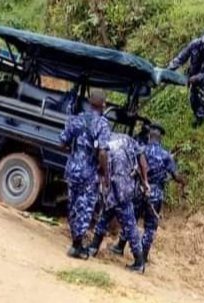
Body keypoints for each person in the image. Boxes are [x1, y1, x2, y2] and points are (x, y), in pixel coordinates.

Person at [109, 124, 186, 264]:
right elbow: (175, 175)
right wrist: (183, 182)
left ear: (149, 136)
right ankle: (143, 257)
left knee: (131, 220)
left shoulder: (141, 150)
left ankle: (120, 247)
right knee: (150, 227)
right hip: (155, 193)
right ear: (160, 138)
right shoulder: (166, 156)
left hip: (140, 189)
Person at [86, 132, 150, 273]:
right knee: (105, 215)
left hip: (117, 187)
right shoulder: (128, 139)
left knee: (129, 224)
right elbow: (143, 161)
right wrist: (145, 181)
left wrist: (106, 179)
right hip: (126, 186)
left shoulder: (102, 140)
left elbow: (101, 158)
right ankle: (93, 247)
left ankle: (139, 262)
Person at [59, 89, 111, 259]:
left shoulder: (77, 119)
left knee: (73, 205)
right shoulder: (102, 124)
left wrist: (74, 153)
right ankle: (77, 246)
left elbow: (62, 141)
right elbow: (103, 152)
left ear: (89, 102)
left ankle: (76, 241)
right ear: (103, 105)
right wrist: (104, 172)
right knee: (85, 207)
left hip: (73, 169)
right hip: (89, 173)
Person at [167, 30, 204, 128]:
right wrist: (170, 68)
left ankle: (201, 122)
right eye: (203, 43)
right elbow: (182, 57)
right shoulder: (195, 44)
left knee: (203, 101)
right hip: (194, 74)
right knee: (193, 99)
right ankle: (196, 115)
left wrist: (197, 78)